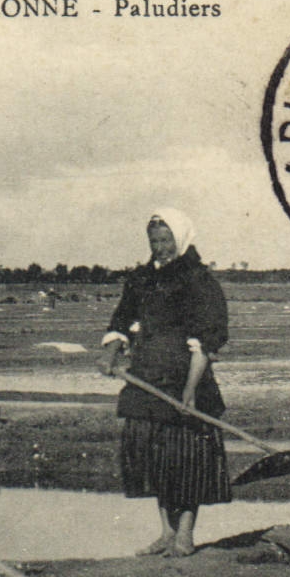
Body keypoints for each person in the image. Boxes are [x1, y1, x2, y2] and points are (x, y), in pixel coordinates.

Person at [99, 208, 230, 558]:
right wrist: (111, 353)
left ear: (182, 238)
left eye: (166, 240)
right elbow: (123, 318)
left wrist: (190, 390)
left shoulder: (198, 280)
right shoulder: (141, 279)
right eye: (154, 241)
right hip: (146, 377)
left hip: (186, 377)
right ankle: (166, 532)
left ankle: (185, 534)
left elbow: (207, 339)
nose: (160, 248)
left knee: (187, 459)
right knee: (152, 459)